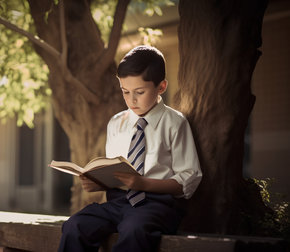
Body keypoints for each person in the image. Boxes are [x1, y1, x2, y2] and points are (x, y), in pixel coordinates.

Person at [57, 45, 203, 252]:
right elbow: (115, 173)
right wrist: (98, 182)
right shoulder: (117, 123)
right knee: (75, 225)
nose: (131, 100)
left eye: (139, 92)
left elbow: (189, 179)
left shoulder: (174, 123)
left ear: (161, 87)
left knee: (134, 230)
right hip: (118, 203)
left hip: (156, 205)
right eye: (125, 92)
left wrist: (143, 183)